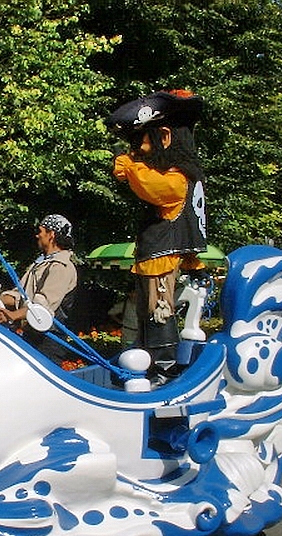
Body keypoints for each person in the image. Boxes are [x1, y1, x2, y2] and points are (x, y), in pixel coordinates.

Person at [107, 89, 207, 386]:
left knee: (158, 313)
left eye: (144, 140)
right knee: (146, 315)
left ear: (165, 137)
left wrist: (130, 165)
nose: (140, 148)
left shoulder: (177, 180)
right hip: (152, 259)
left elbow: (152, 187)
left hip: (160, 262)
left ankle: (164, 368)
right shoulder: (185, 177)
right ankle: (148, 363)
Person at [0, 214, 78, 363]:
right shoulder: (41, 264)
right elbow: (20, 296)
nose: (37, 235)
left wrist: (12, 315)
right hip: (32, 337)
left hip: (48, 341)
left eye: (40, 231)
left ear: (51, 235)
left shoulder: (61, 267)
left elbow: (42, 307)